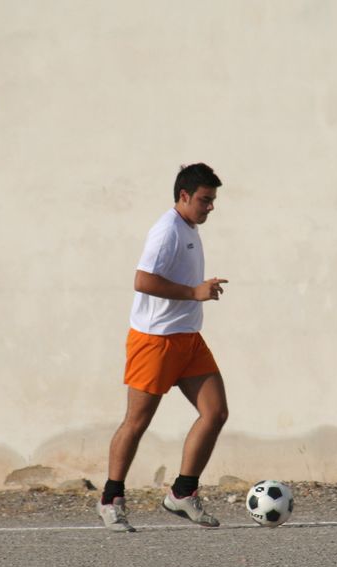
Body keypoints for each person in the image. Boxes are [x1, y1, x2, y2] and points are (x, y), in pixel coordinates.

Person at [98, 163, 229, 532]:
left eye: (213, 200)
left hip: (188, 337)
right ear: (184, 196)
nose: (210, 207)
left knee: (215, 413)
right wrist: (194, 292)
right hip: (155, 341)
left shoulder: (188, 227)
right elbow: (142, 281)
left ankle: (183, 493)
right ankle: (110, 499)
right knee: (137, 422)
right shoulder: (166, 230)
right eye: (204, 200)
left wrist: (196, 295)